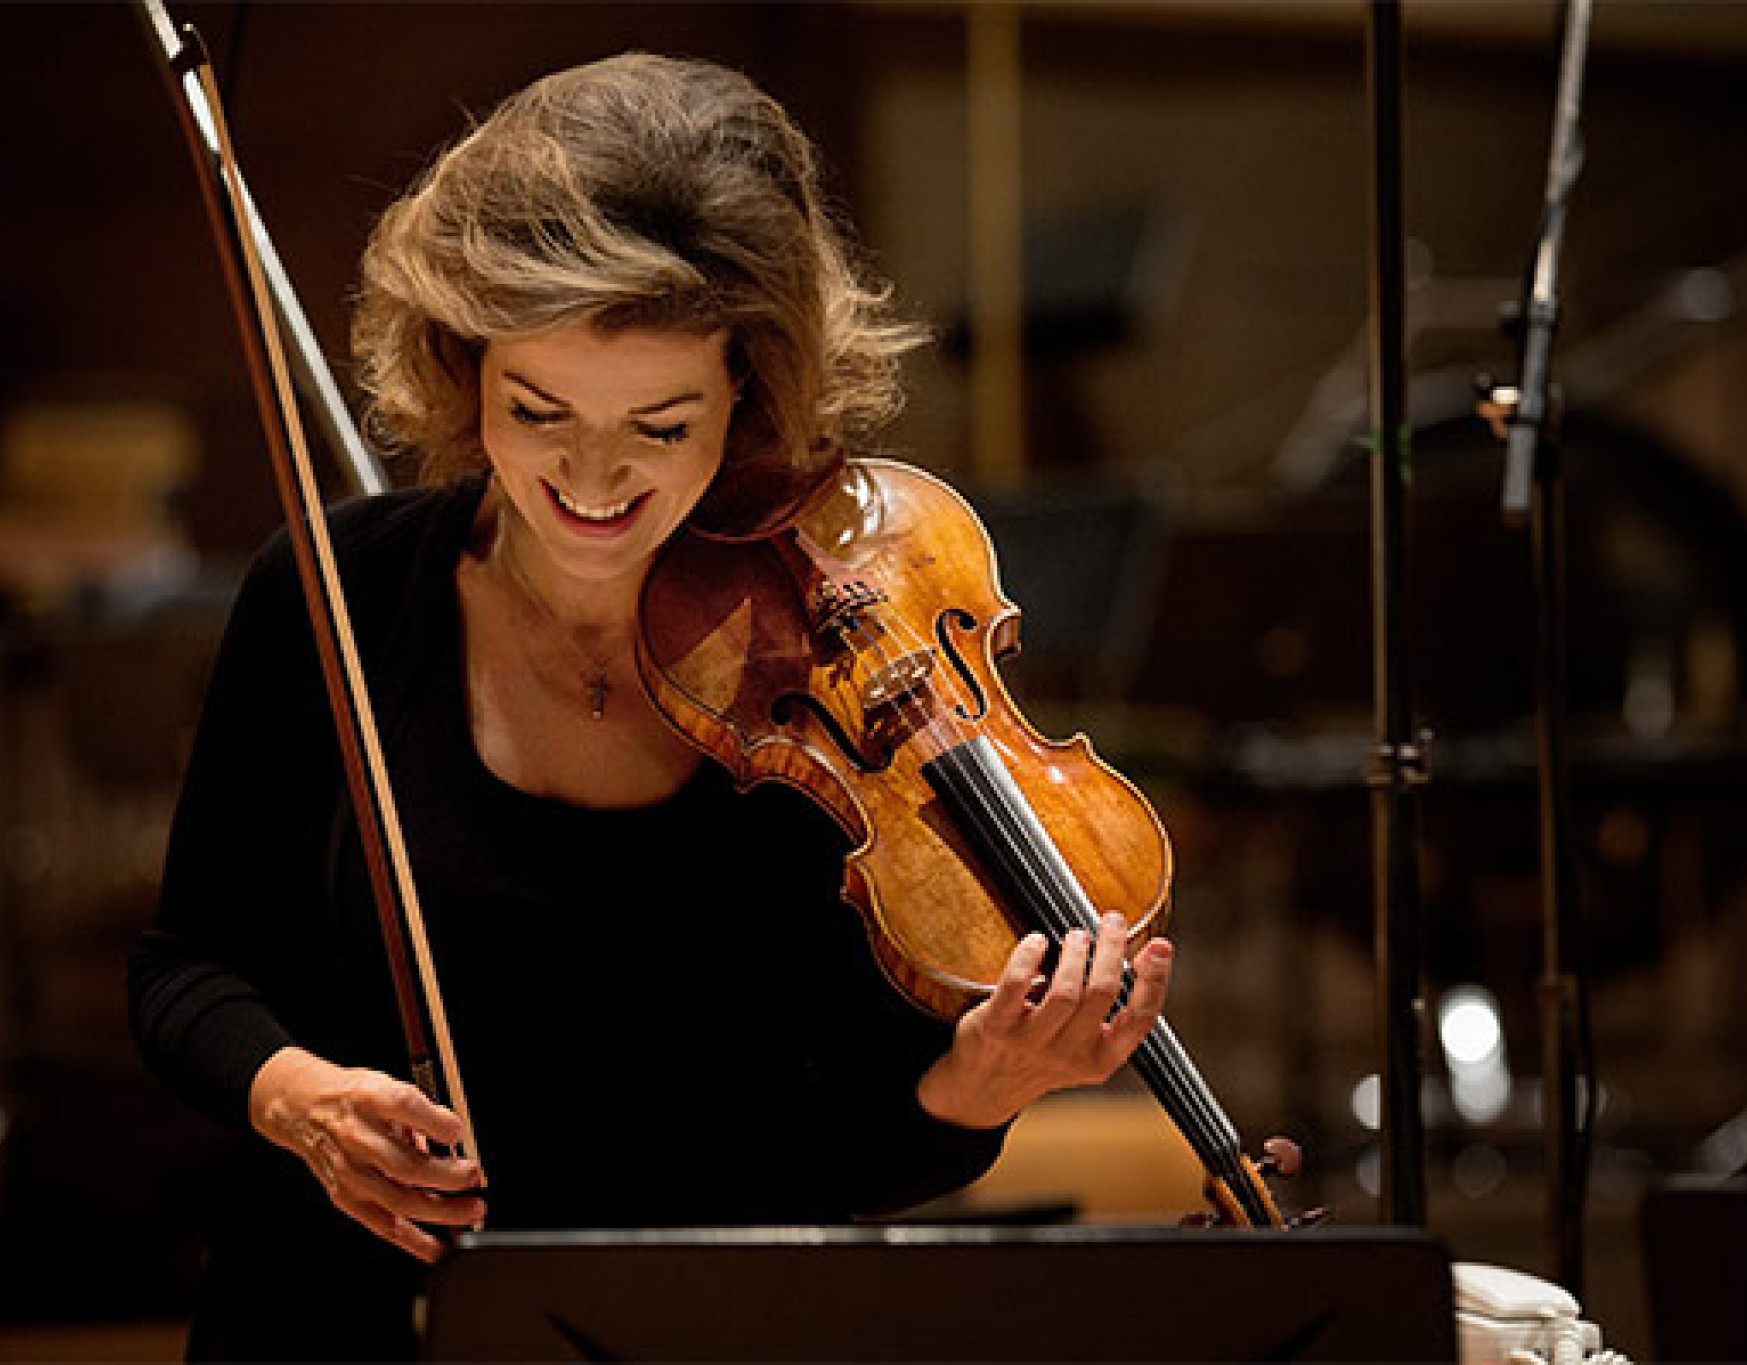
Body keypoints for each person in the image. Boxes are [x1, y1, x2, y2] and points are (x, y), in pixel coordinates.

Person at [130, 52, 1173, 1362]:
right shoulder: (334, 594)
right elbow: (187, 969)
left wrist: (979, 1085)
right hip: (345, 1325)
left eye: (662, 426)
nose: (594, 478)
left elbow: (842, 1155)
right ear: (464, 368)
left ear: (748, 392)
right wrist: (294, 1097)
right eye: (538, 409)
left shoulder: (828, 660)